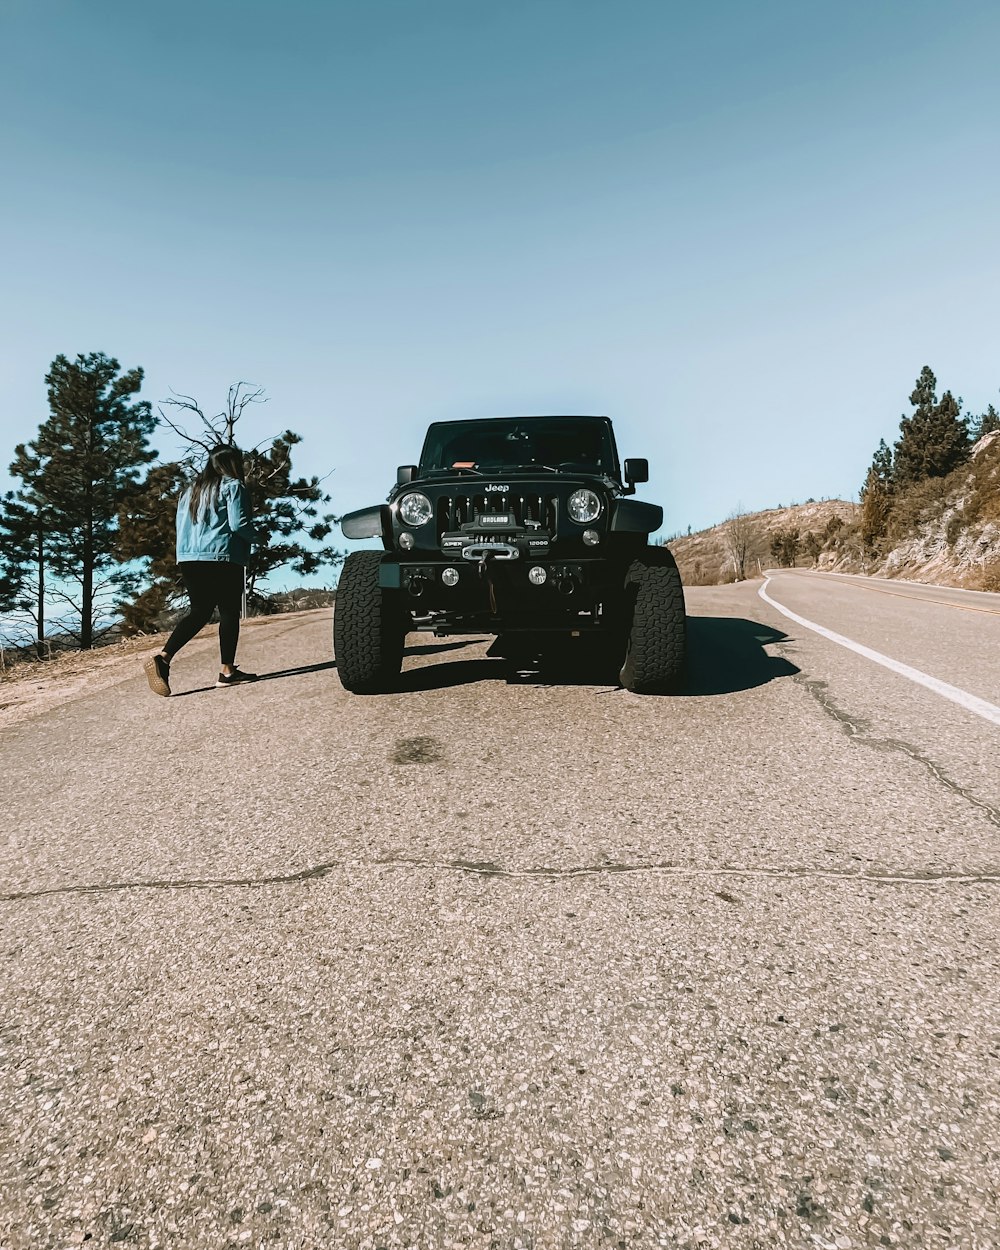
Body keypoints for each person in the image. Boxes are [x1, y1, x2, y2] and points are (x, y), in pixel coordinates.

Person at [143, 444, 259, 697]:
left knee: (200, 611)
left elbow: (181, 526)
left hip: (189, 558)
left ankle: (164, 658)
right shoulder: (233, 486)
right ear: (232, 463)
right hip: (221, 556)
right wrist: (258, 537)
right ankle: (227, 672)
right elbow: (239, 524)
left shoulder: (190, 491)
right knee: (229, 611)